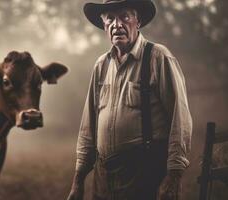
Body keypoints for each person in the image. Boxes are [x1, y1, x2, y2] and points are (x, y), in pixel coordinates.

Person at [67, 0, 192, 200]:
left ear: (138, 21)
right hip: (103, 176)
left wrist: (174, 175)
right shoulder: (101, 65)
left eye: (124, 16)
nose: (117, 24)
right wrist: (78, 180)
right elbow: (87, 127)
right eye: (110, 19)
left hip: (145, 173)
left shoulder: (158, 57)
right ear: (104, 25)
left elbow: (181, 119)